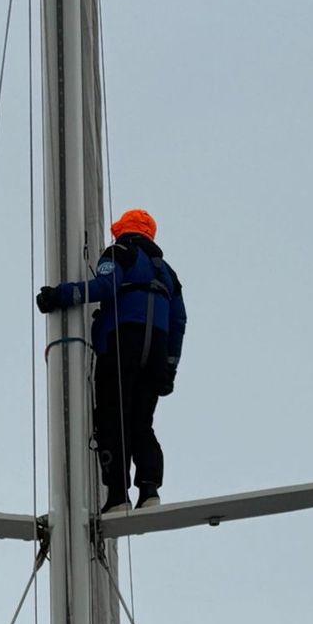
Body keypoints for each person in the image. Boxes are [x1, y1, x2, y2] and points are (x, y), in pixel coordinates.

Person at [36, 208, 186, 512]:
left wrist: (59, 295)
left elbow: (105, 287)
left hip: (121, 344)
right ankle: (150, 490)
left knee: (111, 418)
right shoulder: (167, 273)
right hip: (156, 353)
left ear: (120, 231)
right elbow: (179, 321)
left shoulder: (119, 253)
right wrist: (169, 368)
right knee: (141, 423)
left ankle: (117, 496)